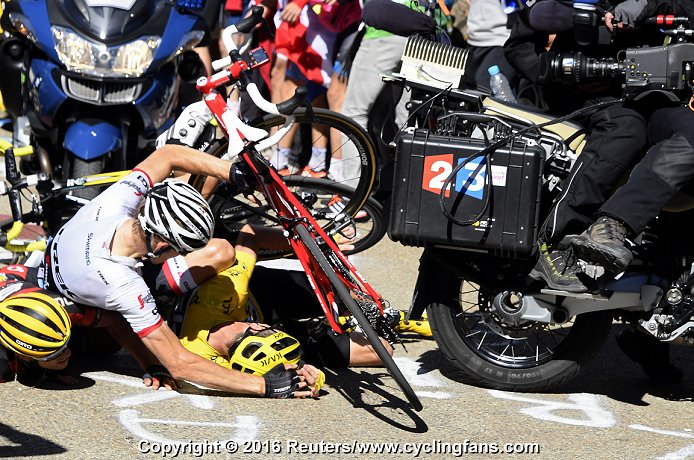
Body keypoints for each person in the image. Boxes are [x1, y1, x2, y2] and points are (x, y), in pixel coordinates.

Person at [38, 105, 322, 399]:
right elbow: (180, 364)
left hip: (76, 262)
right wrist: (267, 386)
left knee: (209, 193)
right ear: (162, 244)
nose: (181, 255)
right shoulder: (122, 284)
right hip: (82, 314)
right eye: (180, 251)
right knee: (219, 253)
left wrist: (232, 172)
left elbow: (168, 155)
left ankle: (202, 159)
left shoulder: (119, 201)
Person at [502, 0, 650, 292]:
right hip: (589, 98)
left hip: (655, 93)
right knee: (627, 129)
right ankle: (556, 239)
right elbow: (522, 36)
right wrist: (553, 71)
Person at [171, 223, 397, 373]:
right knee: (382, 351)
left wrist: (308, 244)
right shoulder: (207, 358)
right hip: (266, 352)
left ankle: (387, 314)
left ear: (257, 327)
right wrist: (305, 375)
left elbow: (250, 233)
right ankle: (317, 331)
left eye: (268, 330)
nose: (271, 328)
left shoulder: (228, 288)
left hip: (260, 293)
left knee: (349, 297)